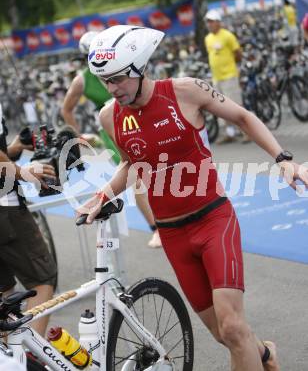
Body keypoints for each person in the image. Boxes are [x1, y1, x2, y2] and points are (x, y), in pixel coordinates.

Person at [77, 25, 308, 370]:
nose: (112, 88)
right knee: (225, 335)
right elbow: (131, 163)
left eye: (118, 79)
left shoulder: (185, 91)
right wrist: (102, 194)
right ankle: (264, 354)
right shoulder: (110, 115)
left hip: (213, 219)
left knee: (232, 326)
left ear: (140, 68)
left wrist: (283, 159)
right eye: (105, 81)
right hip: (172, 235)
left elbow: (243, 117)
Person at [61, 31, 161, 248]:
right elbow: (66, 109)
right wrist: (78, 137)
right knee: (136, 175)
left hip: (139, 118)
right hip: (113, 126)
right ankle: (156, 229)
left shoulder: (123, 65)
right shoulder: (82, 80)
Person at [0, 103, 57, 336]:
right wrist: (25, 172)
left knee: (4, 292)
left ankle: (8, 361)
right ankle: (29, 360)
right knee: (42, 280)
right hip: (5, 208)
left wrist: (12, 148)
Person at [204, 9, 250, 144]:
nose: (209, 24)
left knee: (236, 105)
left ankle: (246, 132)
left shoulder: (228, 35)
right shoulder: (208, 38)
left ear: (218, 22)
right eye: (208, 22)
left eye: (212, 21)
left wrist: (231, 65)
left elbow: (238, 53)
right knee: (220, 107)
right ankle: (230, 133)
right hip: (217, 78)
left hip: (229, 76)